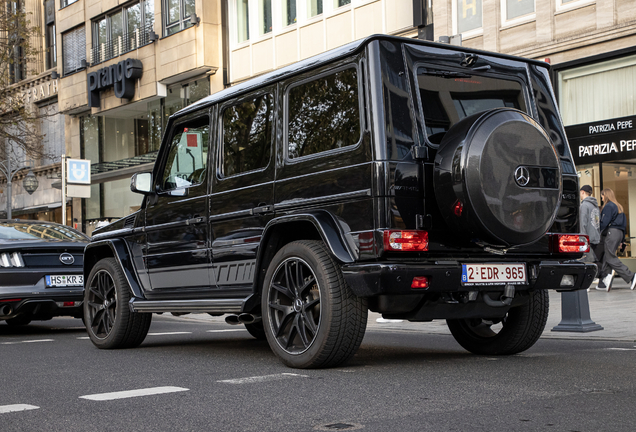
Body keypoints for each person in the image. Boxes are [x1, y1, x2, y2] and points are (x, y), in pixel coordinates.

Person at [596, 188, 636, 291]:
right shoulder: (619, 207)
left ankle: (631, 276)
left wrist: (597, 232)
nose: (602, 198)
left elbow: (604, 222)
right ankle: (605, 280)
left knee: (610, 257)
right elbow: (624, 225)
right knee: (607, 255)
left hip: (612, 232)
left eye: (602, 196)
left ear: (606, 195)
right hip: (618, 233)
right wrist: (622, 240)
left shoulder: (609, 206)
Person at [579, 185, 600, 264]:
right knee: (593, 260)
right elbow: (597, 222)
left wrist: (582, 238)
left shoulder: (584, 205)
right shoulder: (595, 206)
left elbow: (582, 222)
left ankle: (602, 274)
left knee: (587, 261)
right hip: (595, 238)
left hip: (587, 238)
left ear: (583, 192)